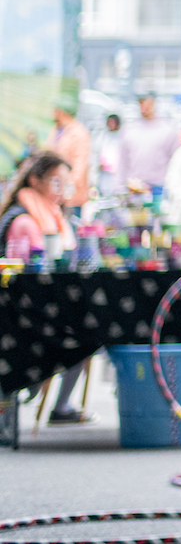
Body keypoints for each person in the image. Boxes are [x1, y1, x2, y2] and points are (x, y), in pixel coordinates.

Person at [1, 153, 91, 422]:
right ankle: (38, 387)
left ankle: (58, 402)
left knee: (86, 328)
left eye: (66, 184)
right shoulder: (23, 219)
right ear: (35, 180)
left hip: (44, 303)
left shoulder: (55, 216)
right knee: (82, 332)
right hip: (18, 309)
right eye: (56, 183)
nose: (61, 192)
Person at [121, 93, 181, 192]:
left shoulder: (167, 129)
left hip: (159, 186)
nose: (144, 107)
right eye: (141, 103)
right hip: (135, 186)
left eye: (147, 103)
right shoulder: (130, 129)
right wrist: (119, 185)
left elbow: (176, 160)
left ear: (153, 103)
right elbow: (122, 161)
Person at [46, 100, 92, 208]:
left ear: (61, 112)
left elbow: (80, 165)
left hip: (71, 196)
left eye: (55, 110)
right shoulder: (56, 130)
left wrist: (67, 187)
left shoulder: (79, 133)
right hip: (55, 193)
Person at [97, 112, 125, 196]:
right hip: (104, 172)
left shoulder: (121, 136)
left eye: (112, 122)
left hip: (116, 173)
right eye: (109, 122)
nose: (110, 124)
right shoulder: (103, 136)